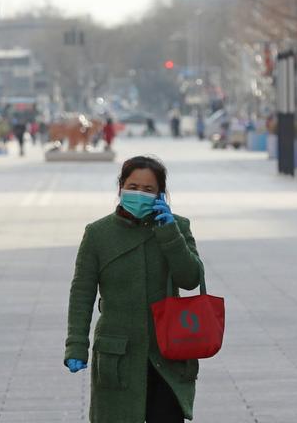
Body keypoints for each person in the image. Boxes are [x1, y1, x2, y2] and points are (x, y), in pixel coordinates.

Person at [65, 156, 204, 423]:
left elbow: (190, 279)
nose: (139, 194)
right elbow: (82, 293)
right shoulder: (98, 234)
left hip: (166, 355)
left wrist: (170, 235)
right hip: (118, 355)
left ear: (161, 194)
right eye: (133, 186)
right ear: (120, 188)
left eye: (148, 190)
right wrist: (76, 346)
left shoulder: (177, 226)